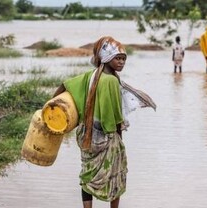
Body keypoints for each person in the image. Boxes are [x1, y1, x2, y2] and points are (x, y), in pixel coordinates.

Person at [53, 36, 156, 208]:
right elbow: (115, 115)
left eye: (123, 59)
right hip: (105, 136)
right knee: (116, 175)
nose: (121, 62)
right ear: (107, 58)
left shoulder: (90, 75)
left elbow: (65, 85)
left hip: (87, 135)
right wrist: (119, 137)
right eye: (118, 58)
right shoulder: (110, 80)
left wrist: (51, 104)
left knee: (87, 175)